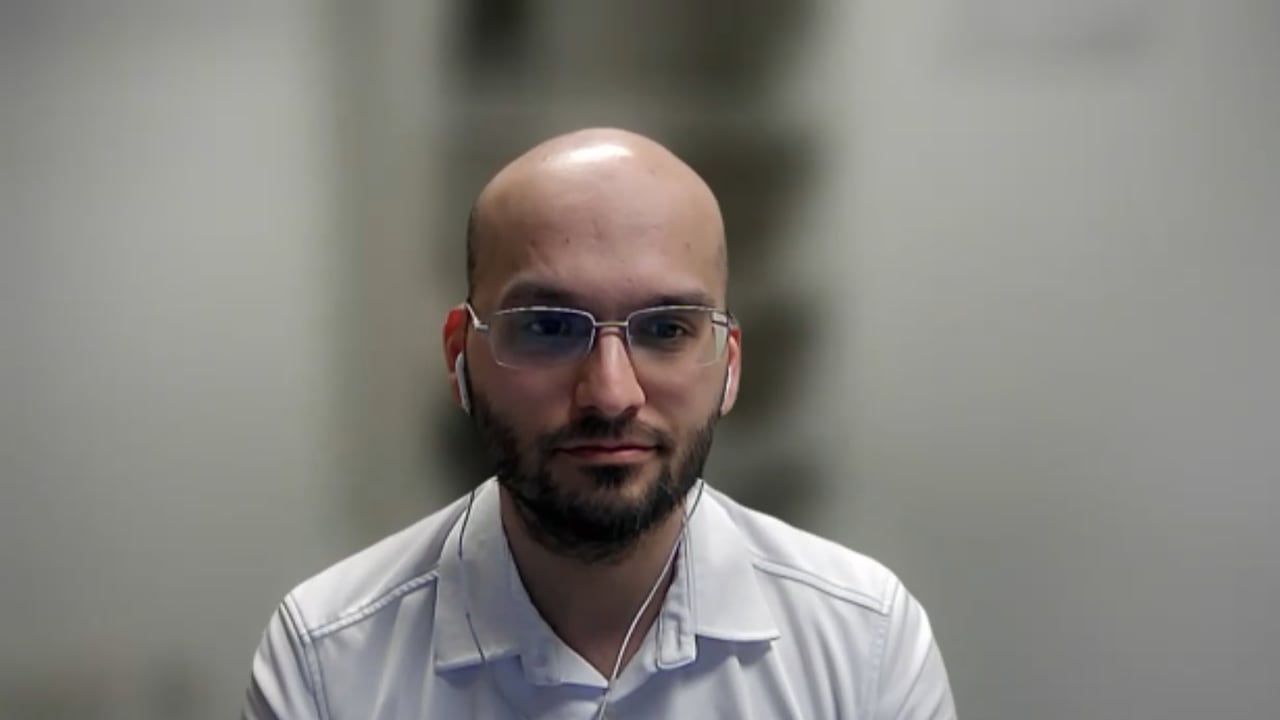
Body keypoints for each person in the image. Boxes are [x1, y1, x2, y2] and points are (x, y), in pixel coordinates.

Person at [241, 127, 957, 719]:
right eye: (549, 326)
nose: (610, 393)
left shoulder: (865, 645)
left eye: (667, 328)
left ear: (730, 364)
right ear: (460, 355)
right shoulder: (327, 663)